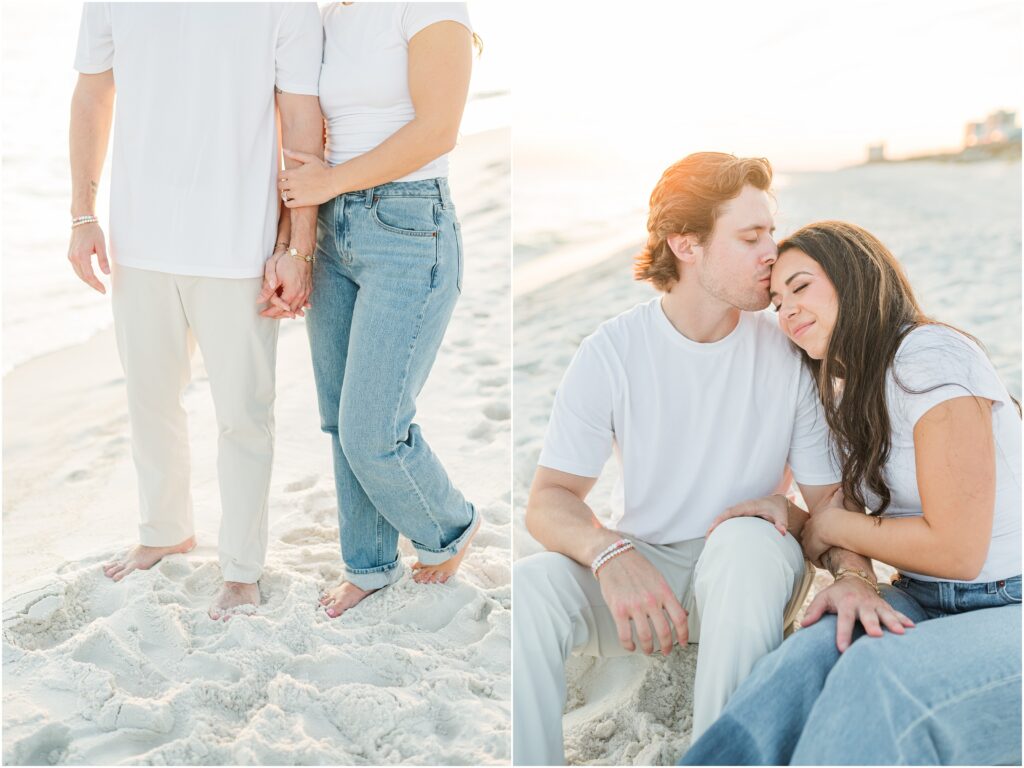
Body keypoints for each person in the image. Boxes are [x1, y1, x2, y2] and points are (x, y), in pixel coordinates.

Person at [512, 154, 909, 766]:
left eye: (770, 234)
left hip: (753, 566)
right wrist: (610, 551)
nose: (771, 253)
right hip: (652, 580)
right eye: (751, 237)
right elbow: (550, 500)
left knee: (743, 543)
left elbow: (830, 499)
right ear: (686, 244)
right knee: (533, 586)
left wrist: (855, 576)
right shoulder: (611, 352)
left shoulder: (786, 351)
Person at [681, 221, 1022, 765]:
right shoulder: (844, 388)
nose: (786, 310)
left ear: (855, 278)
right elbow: (848, 518)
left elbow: (958, 551)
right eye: (775, 301)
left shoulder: (930, 356)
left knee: (874, 674)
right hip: (922, 597)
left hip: (1010, 604)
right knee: (805, 659)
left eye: (801, 287)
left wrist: (828, 525)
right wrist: (808, 529)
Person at [69, 3, 324, 619]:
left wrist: (297, 246)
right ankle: (164, 530)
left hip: (238, 246)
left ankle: (241, 569)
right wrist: (82, 215)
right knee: (149, 400)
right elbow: (92, 93)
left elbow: (301, 123)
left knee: (243, 417)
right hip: (138, 241)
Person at [273, 3, 479, 619]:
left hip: (409, 230)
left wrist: (329, 184)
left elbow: (438, 130)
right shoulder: (326, 14)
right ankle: (368, 564)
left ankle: (451, 527)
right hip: (335, 230)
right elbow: (307, 133)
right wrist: (296, 246)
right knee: (340, 420)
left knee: (373, 431)